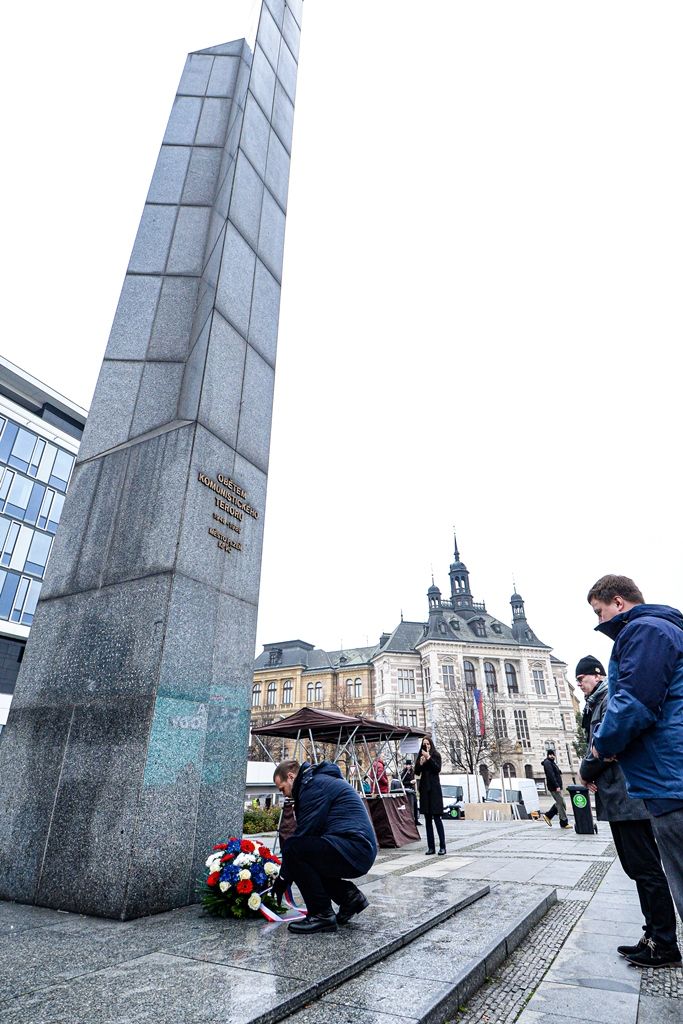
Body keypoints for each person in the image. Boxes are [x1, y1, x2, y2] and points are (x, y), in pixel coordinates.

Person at [587, 574, 683, 968]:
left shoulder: (643, 631)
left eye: (599, 611)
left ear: (618, 602)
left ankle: (663, 941)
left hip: (669, 777)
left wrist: (598, 749)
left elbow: (634, 705)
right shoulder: (664, 629)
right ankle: (659, 939)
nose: (598, 620)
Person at [272, 759, 377, 934]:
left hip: (354, 846)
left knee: (295, 848)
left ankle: (321, 915)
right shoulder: (314, 783)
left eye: (282, 789)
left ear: (290, 777)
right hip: (356, 847)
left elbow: (303, 835)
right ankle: (349, 898)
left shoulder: (314, 787)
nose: (284, 795)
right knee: (307, 857)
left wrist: (283, 878)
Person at [415, 737, 446, 855]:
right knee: (428, 820)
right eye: (424, 744)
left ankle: (442, 846)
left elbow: (437, 769)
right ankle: (431, 847)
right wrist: (421, 763)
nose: (426, 746)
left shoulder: (436, 755)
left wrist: (429, 758)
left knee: (437, 818)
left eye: (428, 744)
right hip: (424, 789)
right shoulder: (420, 755)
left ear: (431, 744)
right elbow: (417, 771)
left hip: (434, 789)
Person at [541, 750, 570, 829]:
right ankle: (564, 822)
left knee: (560, 803)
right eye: (550, 755)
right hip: (554, 787)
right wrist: (556, 786)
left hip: (557, 786)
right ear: (547, 755)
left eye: (553, 754)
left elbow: (555, 773)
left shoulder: (552, 763)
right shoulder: (547, 763)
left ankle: (548, 816)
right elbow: (551, 775)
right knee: (561, 803)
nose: (552, 756)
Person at [401, 757, 419, 825]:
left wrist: (414, 782)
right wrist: (410, 782)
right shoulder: (404, 773)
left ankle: (416, 819)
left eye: (409, 765)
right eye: (407, 765)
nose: (408, 766)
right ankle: (410, 820)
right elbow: (402, 782)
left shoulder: (412, 772)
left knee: (415, 804)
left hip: (412, 790)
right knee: (409, 805)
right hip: (407, 790)